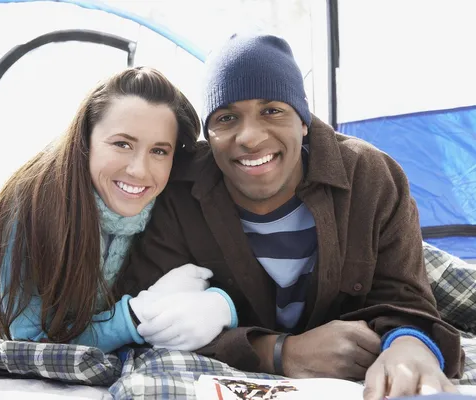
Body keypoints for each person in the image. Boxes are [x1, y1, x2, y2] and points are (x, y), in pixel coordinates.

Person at [115, 34, 464, 398]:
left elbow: (405, 296)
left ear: (303, 121)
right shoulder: (177, 194)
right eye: (226, 117)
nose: (249, 137)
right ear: (209, 135)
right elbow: (151, 323)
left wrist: (409, 345)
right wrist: (280, 352)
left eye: (272, 110)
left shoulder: (371, 176)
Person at [0, 67, 238, 354]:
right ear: (85, 139)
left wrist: (221, 306)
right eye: (122, 144)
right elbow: (26, 343)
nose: (139, 170)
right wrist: (134, 316)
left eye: (159, 151)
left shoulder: (174, 201)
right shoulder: (30, 207)